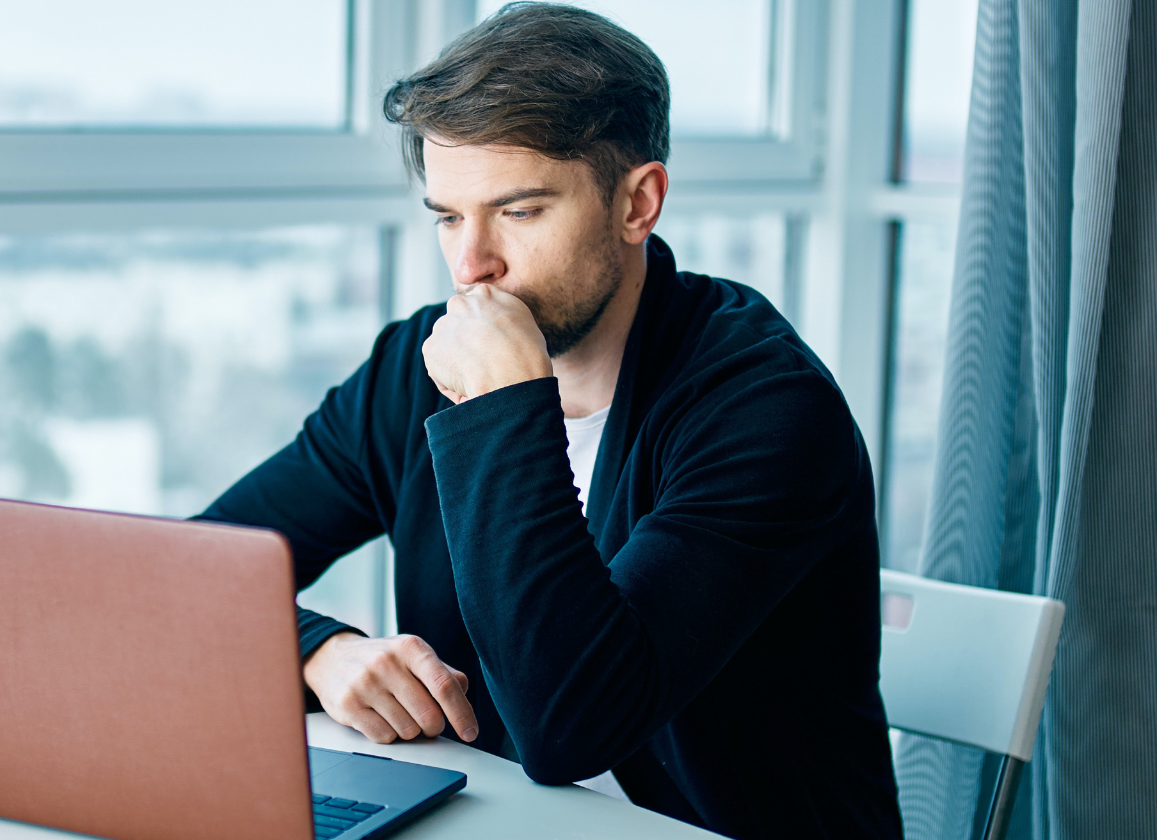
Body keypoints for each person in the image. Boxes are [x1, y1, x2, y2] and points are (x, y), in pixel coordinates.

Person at [199, 4, 903, 838]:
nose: (472, 266)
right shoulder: (412, 368)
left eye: (520, 211)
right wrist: (319, 651)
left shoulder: (768, 411)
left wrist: (503, 410)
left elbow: (572, 722)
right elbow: (199, 573)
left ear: (637, 204)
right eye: (449, 217)